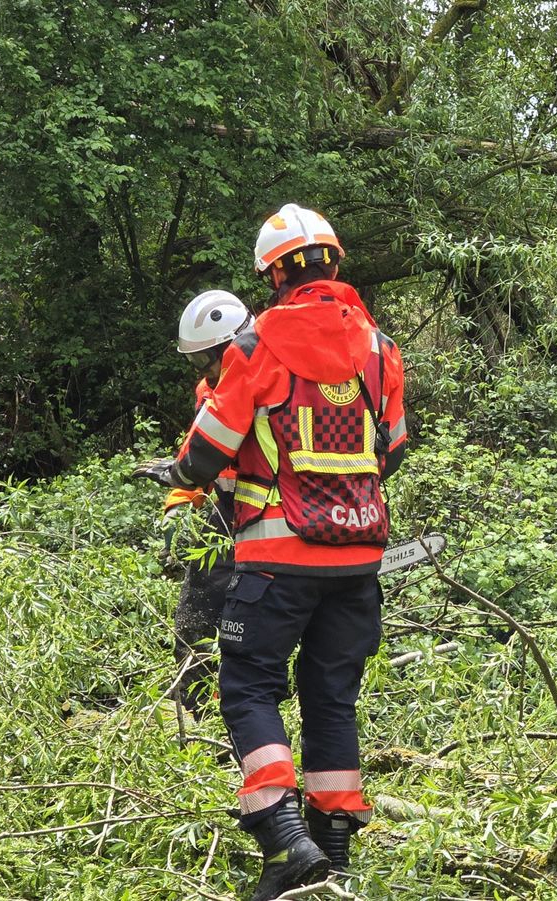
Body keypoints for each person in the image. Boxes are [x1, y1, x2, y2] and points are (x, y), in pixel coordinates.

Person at [136, 203, 407, 900]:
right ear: (335, 263)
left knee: (249, 684)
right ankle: (335, 847)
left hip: (277, 557)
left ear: (275, 272)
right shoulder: (380, 347)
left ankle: (284, 839)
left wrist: (181, 476)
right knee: (331, 697)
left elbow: (209, 449)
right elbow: (395, 447)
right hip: (359, 558)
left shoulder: (256, 345)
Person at [160, 290, 251, 717]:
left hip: (274, 512)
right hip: (226, 509)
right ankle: (195, 714)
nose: (205, 372)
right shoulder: (208, 389)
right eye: (196, 363)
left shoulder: (271, 378)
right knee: (197, 615)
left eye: (208, 360)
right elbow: (200, 451)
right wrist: (180, 500)